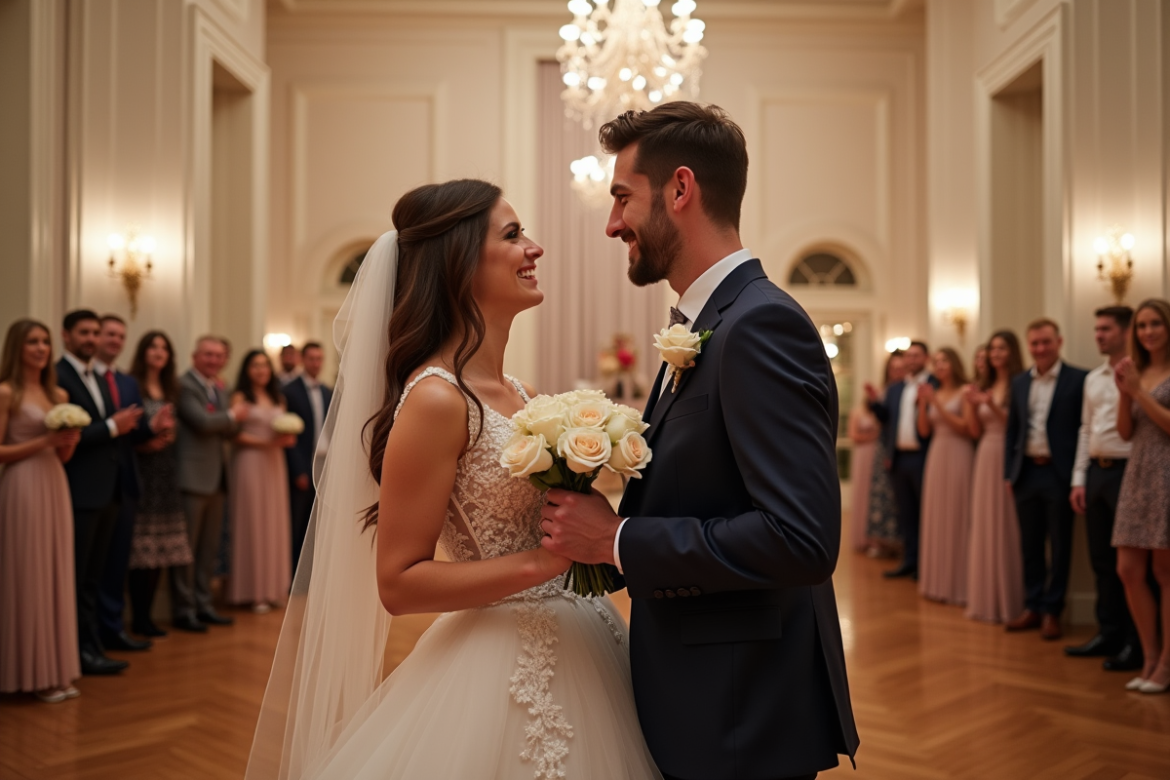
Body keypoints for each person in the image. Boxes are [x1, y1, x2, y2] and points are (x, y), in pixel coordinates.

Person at [248, 180, 662, 780]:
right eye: (514, 235)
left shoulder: (519, 394)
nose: (536, 248)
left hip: (585, 639)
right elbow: (399, 582)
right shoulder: (437, 399)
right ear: (460, 260)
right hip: (497, 662)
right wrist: (549, 564)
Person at [541, 102, 858, 780]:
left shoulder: (760, 326)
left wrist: (616, 540)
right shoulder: (711, 321)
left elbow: (800, 540)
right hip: (709, 697)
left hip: (743, 716)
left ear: (680, 189)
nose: (611, 223)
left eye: (623, 197)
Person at [56, 309, 144, 675]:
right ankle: (77, 651)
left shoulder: (98, 376)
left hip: (110, 489)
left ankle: (92, 645)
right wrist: (111, 425)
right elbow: (68, 434)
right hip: (79, 490)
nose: (91, 339)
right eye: (85, 333)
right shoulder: (60, 376)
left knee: (95, 576)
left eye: (95, 333)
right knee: (77, 578)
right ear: (67, 336)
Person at [0, 320, 82, 703]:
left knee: (54, 571)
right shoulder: (6, 393)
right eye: (32, 342)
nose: (40, 348)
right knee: (28, 572)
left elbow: (62, 455)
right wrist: (45, 440)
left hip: (53, 482)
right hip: (22, 485)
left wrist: (67, 442)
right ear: (17, 347)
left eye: (45, 342)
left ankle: (55, 670)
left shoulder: (57, 392)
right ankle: (26, 673)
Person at [1066, 306, 1142, 671]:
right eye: (1096, 329)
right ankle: (1108, 632)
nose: (1098, 335)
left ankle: (1136, 641)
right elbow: (1085, 429)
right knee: (1101, 562)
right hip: (1097, 473)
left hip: (1131, 470)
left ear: (1126, 332)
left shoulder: (1142, 373)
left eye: (1105, 329)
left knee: (1132, 565)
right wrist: (1079, 479)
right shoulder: (1094, 379)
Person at [1004, 319, 1087, 640]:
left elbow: (1083, 428)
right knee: (1030, 545)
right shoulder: (1019, 382)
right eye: (1035, 343)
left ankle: (1054, 611)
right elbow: (1012, 429)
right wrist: (1007, 473)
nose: (1040, 349)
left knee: (1061, 545)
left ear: (1059, 342)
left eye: (1046, 342)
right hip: (1026, 473)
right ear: (1029, 346)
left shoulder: (1079, 379)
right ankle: (1033, 607)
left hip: (1059, 474)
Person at [94, 314, 173, 651]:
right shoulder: (96, 378)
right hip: (96, 481)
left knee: (117, 562)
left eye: (119, 335)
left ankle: (113, 629)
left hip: (128, 481)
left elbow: (134, 429)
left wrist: (152, 427)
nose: (114, 340)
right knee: (95, 565)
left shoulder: (125, 383)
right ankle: (94, 635)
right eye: (108, 334)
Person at [1112, 298, 1170, 694]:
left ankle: (1166, 664)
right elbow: (1125, 432)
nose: (1147, 332)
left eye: (1155, 324)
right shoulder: (1139, 370)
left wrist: (1140, 393)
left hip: (1166, 470)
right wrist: (1124, 392)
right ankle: (1148, 656)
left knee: (1166, 573)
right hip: (1137, 473)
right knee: (1129, 570)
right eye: (1142, 326)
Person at [172, 336, 247, 632]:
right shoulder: (184, 385)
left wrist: (229, 418)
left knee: (208, 549)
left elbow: (231, 430)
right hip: (191, 478)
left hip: (217, 477)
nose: (213, 360)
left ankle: (204, 604)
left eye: (218, 356)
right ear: (194, 356)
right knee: (186, 550)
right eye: (208, 354)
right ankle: (184, 609)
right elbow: (202, 422)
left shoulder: (219, 387)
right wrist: (231, 415)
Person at [126, 331, 193, 637]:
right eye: (153, 346)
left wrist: (166, 437)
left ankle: (148, 616)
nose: (158, 351)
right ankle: (138, 617)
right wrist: (145, 444)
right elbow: (129, 431)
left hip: (166, 473)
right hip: (141, 471)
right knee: (141, 550)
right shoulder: (132, 385)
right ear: (143, 351)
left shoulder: (170, 387)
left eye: (164, 347)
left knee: (162, 550)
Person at [227, 350, 295, 613]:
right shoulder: (240, 397)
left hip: (275, 463)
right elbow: (234, 434)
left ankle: (273, 588)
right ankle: (251, 591)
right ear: (246, 369)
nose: (261, 370)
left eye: (265, 365)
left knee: (273, 522)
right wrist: (268, 443)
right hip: (250, 462)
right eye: (255, 365)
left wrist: (286, 438)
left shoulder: (278, 397)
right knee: (252, 522)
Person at [965, 330, 1026, 624]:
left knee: (1006, 524)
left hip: (1007, 453)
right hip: (985, 454)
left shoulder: (1019, 383)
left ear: (1012, 351)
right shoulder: (986, 383)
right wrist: (973, 405)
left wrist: (989, 405)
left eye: (1001, 348)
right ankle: (985, 597)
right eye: (992, 349)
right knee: (985, 523)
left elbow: (1016, 426)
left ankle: (1010, 600)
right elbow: (974, 432)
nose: (995, 354)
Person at [866, 340, 938, 579]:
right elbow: (887, 421)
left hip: (924, 457)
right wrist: (875, 403)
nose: (911, 360)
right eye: (909, 356)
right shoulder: (897, 388)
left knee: (926, 514)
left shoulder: (934, 384)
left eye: (916, 356)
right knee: (905, 514)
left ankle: (926, 565)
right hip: (899, 459)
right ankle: (909, 561)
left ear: (926, 358)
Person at [916, 348, 976, 605]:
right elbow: (924, 431)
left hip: (959, 454)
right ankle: (936, 582)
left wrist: (936, 404)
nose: (939, 366)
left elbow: (967, 428)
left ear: (954, 363)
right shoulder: (935, 392)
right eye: (936, 362)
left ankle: (959, 585)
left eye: (944, 361)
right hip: (937, 455)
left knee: (956, 515)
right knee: (936, 515)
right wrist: (923, 404)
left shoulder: (965, 391)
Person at [283, 341, 332, 568]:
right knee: (297, 520)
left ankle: (312, 572)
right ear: (303, 360)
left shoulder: (326, 391)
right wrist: (299, 469)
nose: (316, 363)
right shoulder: (289, 391)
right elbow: (288, 437)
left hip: (324, 464)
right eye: (311, 358)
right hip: (302, 465)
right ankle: (294, 573)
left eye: (319, 359)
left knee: (318, 521)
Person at [864, 352, 904, 558]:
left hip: (898, 448)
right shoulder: (889, 390)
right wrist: (874, 402)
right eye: (893, 369)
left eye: (900, 368)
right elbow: (885, 418)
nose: (897, 372)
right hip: (885, 447)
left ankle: (899, 543)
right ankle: (882, 541)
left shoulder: (906, 389)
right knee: (882, 495)